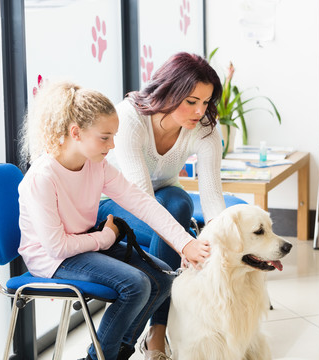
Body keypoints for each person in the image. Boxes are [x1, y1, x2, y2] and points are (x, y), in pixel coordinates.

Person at [17, 81, 209, 360]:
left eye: (114, 136)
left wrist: (184, 244)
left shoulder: (97, 165)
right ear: (76, 133)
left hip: (84, 245)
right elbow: (57, 247)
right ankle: (98, 358)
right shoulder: (42, 177)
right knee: (136, 284)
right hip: (51, 258)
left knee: (162, 278)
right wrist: (106, 237)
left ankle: (116, 353)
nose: (113, 145)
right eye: (105, 137)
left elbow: (141, 202)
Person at [96, 52, 226, 358]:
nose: (200, 111)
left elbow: (211, 196)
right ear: (170, 91)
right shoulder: (130, 118)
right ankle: (152, 333)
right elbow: (140, 197)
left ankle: (155, 332)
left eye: (206, 102)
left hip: (166, 202)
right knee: (173, 219)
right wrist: (184, 244)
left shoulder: (205, 128)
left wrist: (222, 242)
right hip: (112, 207)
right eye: (192, 101)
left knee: (179, 203)